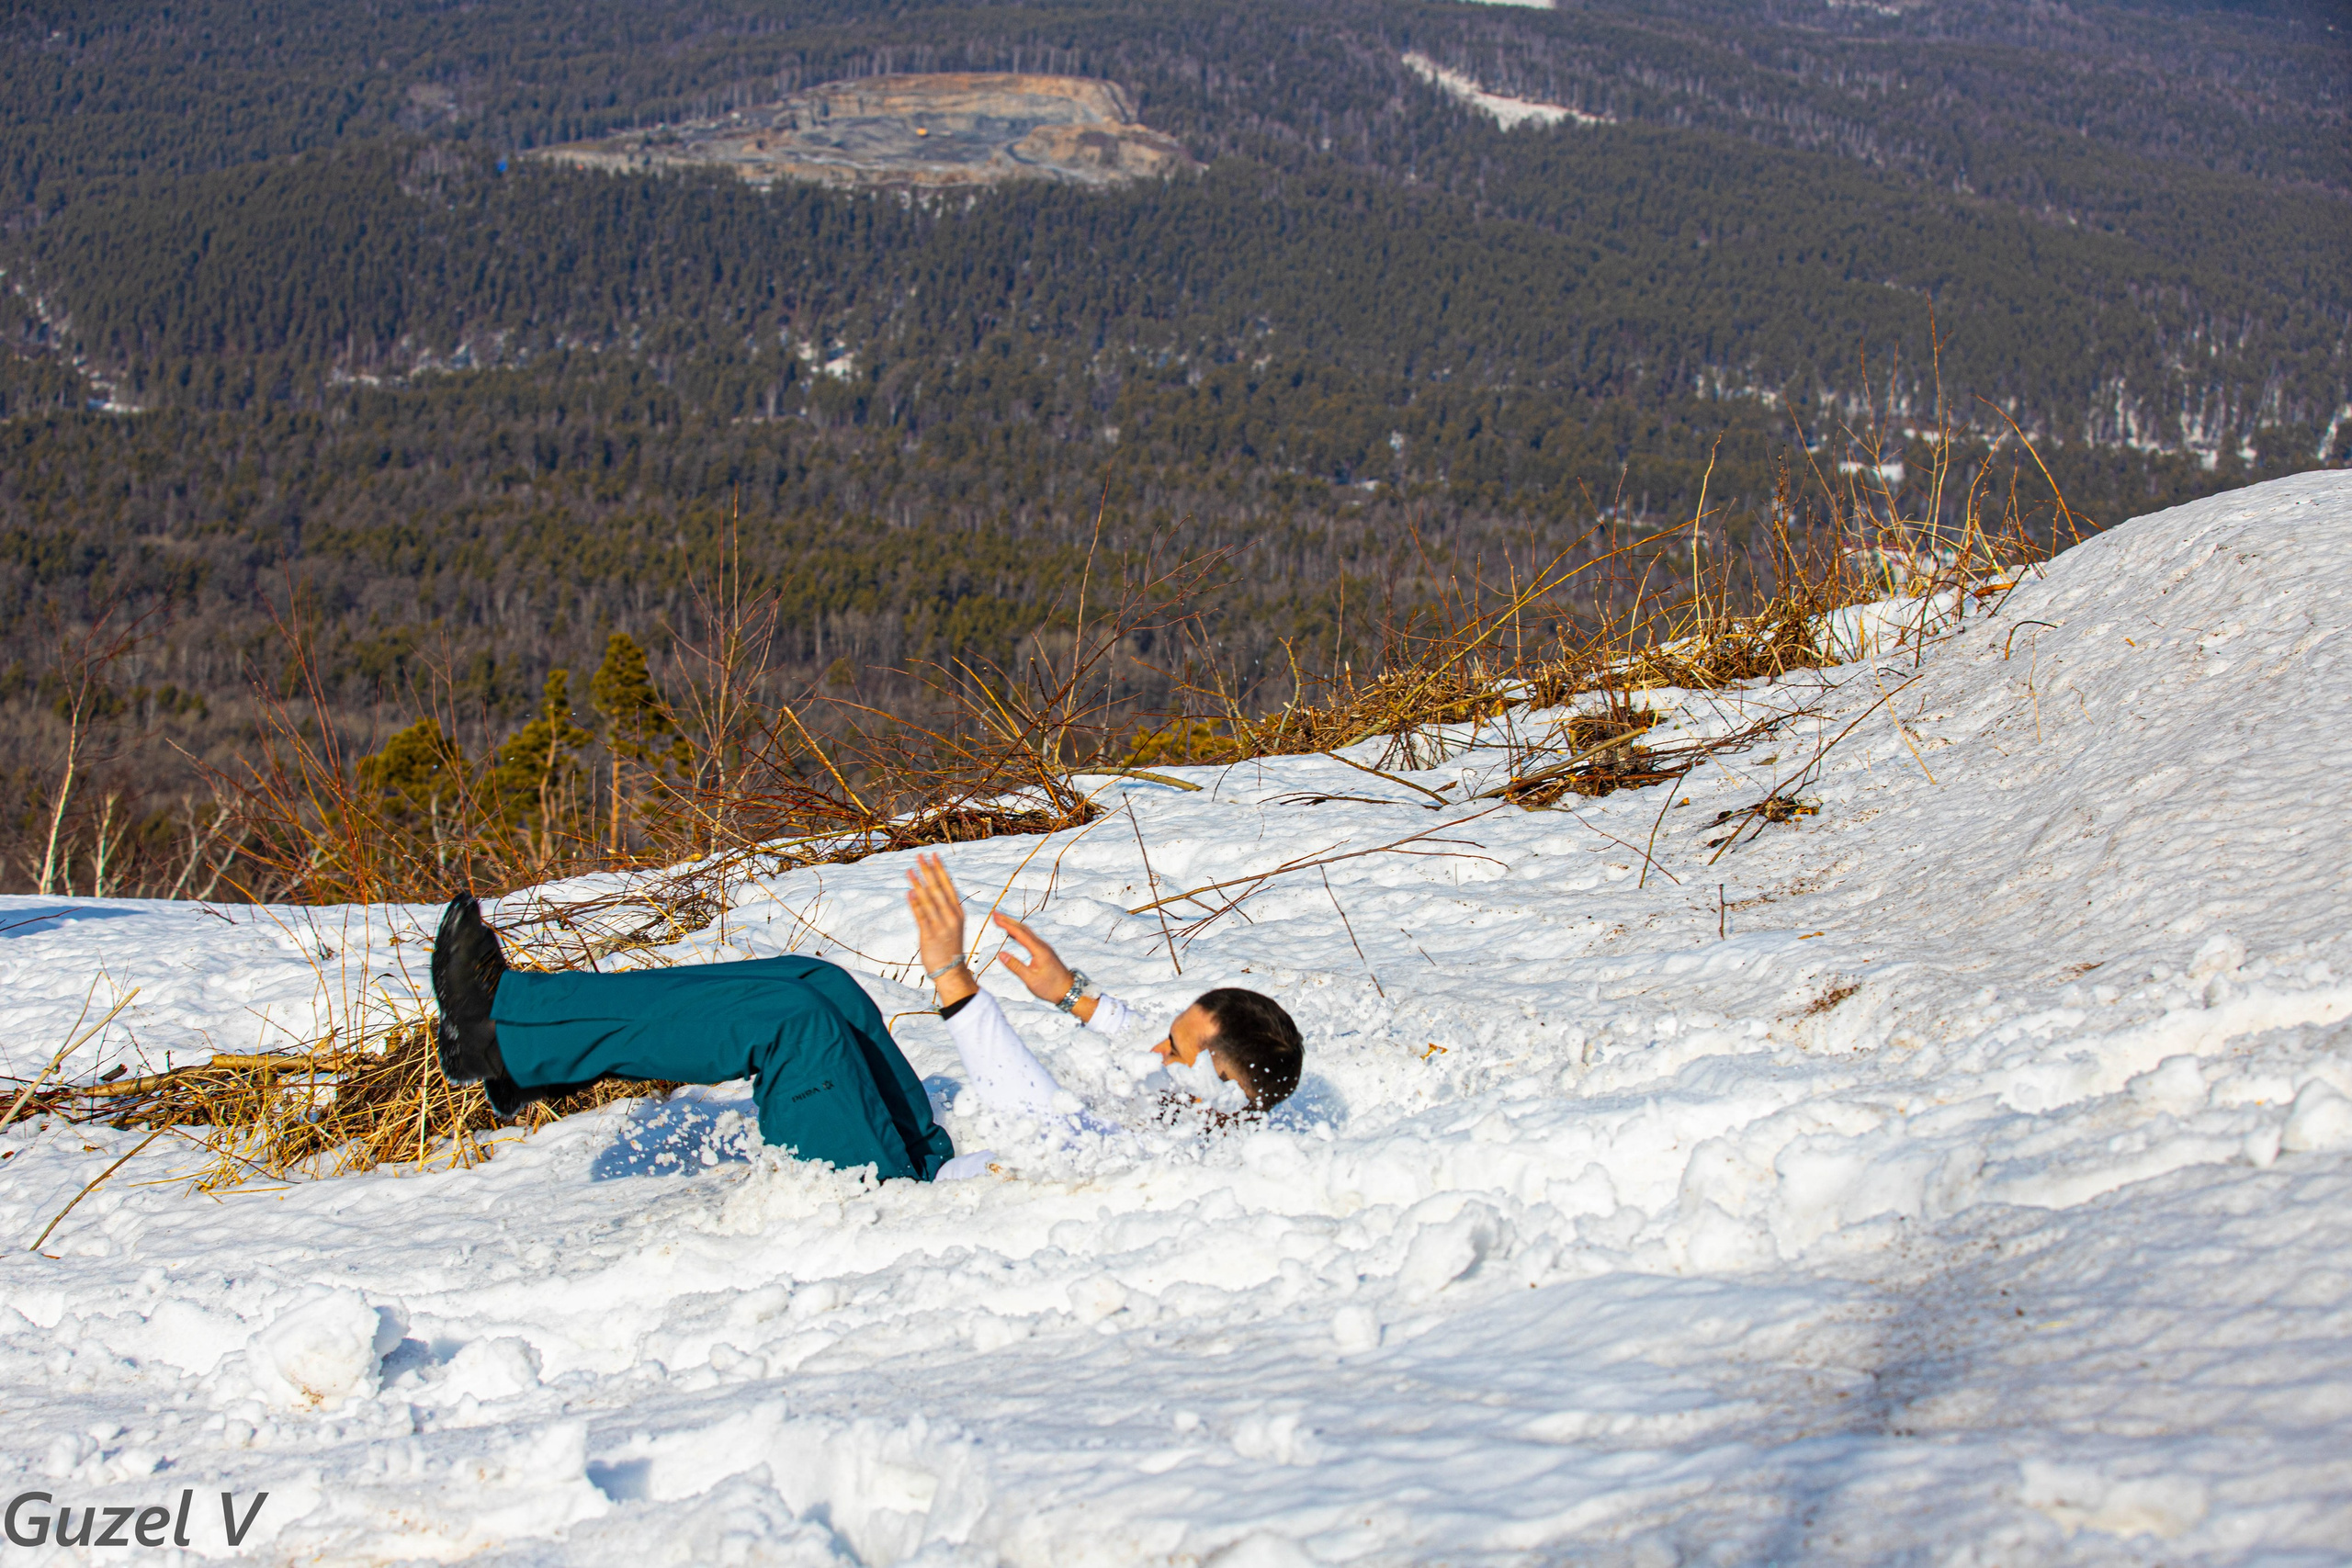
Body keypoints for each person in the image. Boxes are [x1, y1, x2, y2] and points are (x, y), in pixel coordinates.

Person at [429, 853, 1304, 1181]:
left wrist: (956, 979)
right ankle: (517, 1033)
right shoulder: (1187, 1110)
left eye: (1173, 1044)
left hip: (911, 1187)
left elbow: (1046, 1120)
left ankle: (508, 1037)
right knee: (824, 983)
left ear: (1218, 1091)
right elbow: (1142, 1047)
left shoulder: (1157, 1170)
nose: (1152, 1047)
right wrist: (1074, 996)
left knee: (793, 1021)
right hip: (923, 1142)